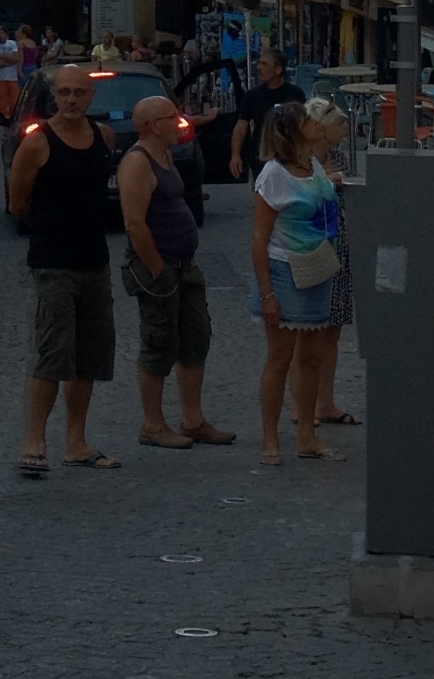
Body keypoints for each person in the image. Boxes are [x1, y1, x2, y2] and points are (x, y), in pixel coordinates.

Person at [7, 54, 121, 475]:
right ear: (54, 96)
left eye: (79, 93)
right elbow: (18, 203)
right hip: (53, 261)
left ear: (91, 95)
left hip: (95, 259)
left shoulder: (104, 136)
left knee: (89, 354)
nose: (71, 100)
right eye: (64, 93)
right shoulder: (37, 143)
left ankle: (76, 440)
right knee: (53, 353)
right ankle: (34, 439)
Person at [117, 92, 234, 451]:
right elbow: (135, 224)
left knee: (195, 339)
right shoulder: (137, 162)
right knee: (158, 344)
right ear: (154, 125)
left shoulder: (165, 155)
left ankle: (193, 419)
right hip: (161, 268)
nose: (181, 120)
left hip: (185, 267)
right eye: (173, 116)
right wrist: (157, 270)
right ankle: (153, 424)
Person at [249, 98, 351, 463]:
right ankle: (270, 440)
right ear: (295, 131)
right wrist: (267, 293)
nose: (315, 122)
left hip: (316, 269)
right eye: (308, 119)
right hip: (284, 271)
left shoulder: (314, 167)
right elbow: (259, 238)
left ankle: (306, 434)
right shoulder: (274, 176)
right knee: (279, 357)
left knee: (311, 356)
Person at [227, 46, 289, 181]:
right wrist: (235, 155)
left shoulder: (294, 94)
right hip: (261, 155)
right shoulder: (252, 96)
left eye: (265, 64)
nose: (259, 67)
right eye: (259, 63)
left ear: (278, 70)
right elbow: (241, 126)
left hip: (288, 155)